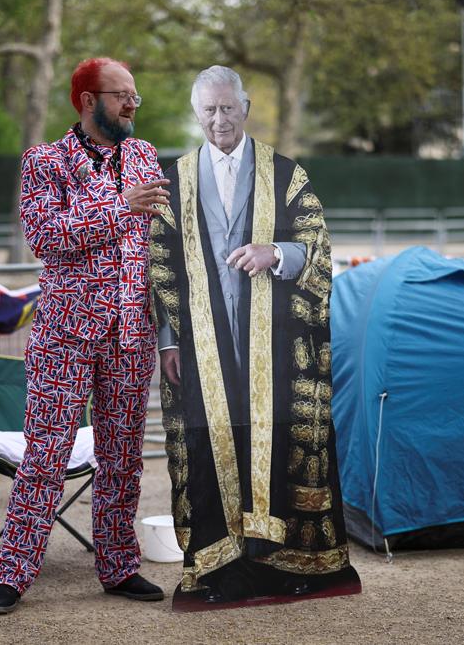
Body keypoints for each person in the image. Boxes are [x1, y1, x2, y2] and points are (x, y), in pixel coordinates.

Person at [149, 65, 360, 607]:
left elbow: (318, 246)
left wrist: (279, 253)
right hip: (203, 347)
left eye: (228, 107)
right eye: (209, 110)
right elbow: (161, 266)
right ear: (197, 113)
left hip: (280, 345)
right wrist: (168, 340)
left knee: (283, 441)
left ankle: (296, 567)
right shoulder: (172, 180)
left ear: (245, 107)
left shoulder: (286, 174)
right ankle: (220, 570)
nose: (219, 119)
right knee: (211, 438)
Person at [0, 57, 170, 615]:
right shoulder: (44, 161)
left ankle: (117, 567)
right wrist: (119, 207)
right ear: (88, 101)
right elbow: (44, 237)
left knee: (123, 458)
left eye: (134, 95)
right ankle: (13, 573)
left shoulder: (144, 155)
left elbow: (159, 242)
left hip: (131, 335)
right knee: (44, 456)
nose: (132, 104)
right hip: (65, 336)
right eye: (120, 96)